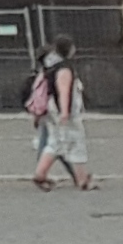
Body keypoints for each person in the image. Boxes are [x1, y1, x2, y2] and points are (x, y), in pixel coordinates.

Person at [30, 35, 94, 191]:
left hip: (53, 110)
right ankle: (81, 180)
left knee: (56, 142)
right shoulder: (64, 68)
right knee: (75, 142)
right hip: (65, 112)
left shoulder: (51, 65)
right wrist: (64, 112)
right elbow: (63, 90)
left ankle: (42, 174)